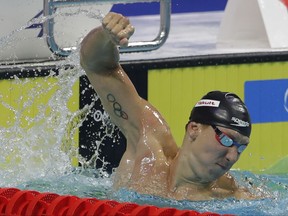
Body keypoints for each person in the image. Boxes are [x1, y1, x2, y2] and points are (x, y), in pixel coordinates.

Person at [80, 12, 259, 200]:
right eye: (227, 140)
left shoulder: (232, 196)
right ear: (194, 129)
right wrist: (105, 36)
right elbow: (97, 67)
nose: (232, 156)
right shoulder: (149, 145)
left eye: (240, 147)